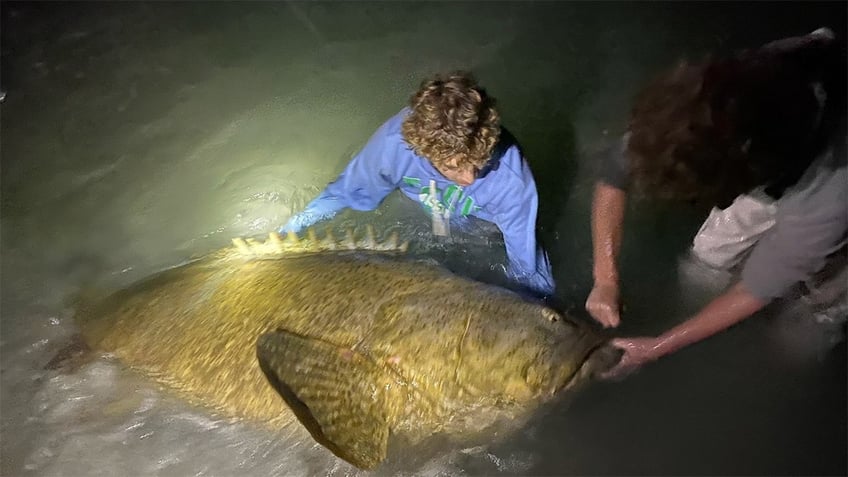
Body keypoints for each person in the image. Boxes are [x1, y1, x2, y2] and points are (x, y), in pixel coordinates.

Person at [584, 27, 847, 375]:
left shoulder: (829, 195)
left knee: (798, 335)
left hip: (825, 178)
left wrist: (658, 348)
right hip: (776, 147)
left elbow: (758, 287)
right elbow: (615, 174)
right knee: (703, 263)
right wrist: (605, 277)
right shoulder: (704, 106)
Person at [280, 72, 555, 297]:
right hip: (423, 203)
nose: (470, 178)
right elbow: (345, 193)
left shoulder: (510, 179)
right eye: (455, 166)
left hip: (482, 219)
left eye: (480, 161)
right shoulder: (392, 148)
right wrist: (292, 231)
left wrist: (538, 303)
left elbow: (526, 265)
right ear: (423, 151)